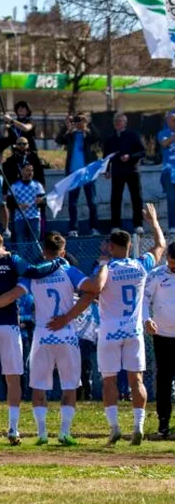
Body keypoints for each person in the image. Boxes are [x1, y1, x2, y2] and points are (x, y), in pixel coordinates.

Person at [0, 232, 99, 445]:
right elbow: (92, 291)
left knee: (39, 386)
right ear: (63, 251)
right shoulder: (69, 270)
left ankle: (42, 433)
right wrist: (68, 316)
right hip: (66, 335)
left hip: (43, 336)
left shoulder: (34, 275)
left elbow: (11, 296)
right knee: (69, 385)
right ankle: (64, 432)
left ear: (43, 252)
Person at [0, 232, 63, 444]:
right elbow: (35, 271)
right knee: (11, 377)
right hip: (8, 325)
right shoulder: (12, 259)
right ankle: (12, 429)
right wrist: (58, 261)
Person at [89, 206, 165, 445]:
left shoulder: (107, 268)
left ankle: (114, 428)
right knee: (137, 380)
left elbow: (97, 289)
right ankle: (138, 426)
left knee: (109, 380)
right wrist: (153, 222)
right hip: (133, 331)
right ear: (130, 246)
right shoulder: (141, 265)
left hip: (110, 331)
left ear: (111, 247)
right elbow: (160, 245)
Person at [145, 242, 175, 438]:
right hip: (162, 336)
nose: (173, 266)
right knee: (163, 380)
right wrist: (147, 319)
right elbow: (144, 301)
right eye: (171, 262)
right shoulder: (156, 275)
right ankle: (163, 425)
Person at [56, 112, 101, 237]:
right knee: (73, 203)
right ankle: (73, 228)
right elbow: (59, 140)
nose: (79, 123)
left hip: (87, 173)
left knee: (92, 202)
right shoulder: (71, 135)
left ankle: (94, 227)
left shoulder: (89, 135)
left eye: (82, 120)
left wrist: (89, 123)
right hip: (73, 173)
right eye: (78, 120)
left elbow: (97, 136)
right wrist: (66, 126)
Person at [103, 113, 146, 232]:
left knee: (136, 198)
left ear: (125, 123)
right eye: (115, 121)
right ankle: (115, 225)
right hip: (117, 172)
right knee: (115, 199)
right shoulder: (110, 139)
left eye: (119, 121)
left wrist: (130, 156)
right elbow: (106, 156)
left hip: (132, 170)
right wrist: (106, 170)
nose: (117, 123)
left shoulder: (133, 135)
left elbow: (142, 152)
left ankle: (138, 224)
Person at [9, 162, 45, 242]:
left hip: (34, 216)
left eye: (31, 171)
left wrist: (40, 202)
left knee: (35, 240)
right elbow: (10, 203)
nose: (30, 173)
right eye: (27, 170)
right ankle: (22, 254)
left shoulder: (38, 185)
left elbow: (43, 202)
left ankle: (35, 255)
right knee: (20, 240)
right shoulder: (15, 186)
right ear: (21, 171)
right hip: (20, 217)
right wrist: (19, 205)